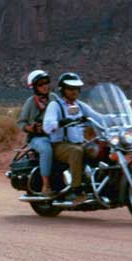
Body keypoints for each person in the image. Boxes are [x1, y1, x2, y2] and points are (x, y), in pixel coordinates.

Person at [42, 72, 102, 204]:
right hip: (60, 145)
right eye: (70, 88)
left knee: (100, 148)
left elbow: (97, 117)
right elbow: (47, 125)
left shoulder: (80, 105)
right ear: (62, 89)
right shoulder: (55, 105)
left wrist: (117, 118)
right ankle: (75, 190)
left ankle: (97, 183)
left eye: (76, 88)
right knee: (76, 151)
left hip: (79, 143)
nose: (74, 91)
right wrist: (59, 123)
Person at [16, 70, 57, 197]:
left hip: (55, 135)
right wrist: (32, 128)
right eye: (40, 84)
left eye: (46, 82)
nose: (45, 86)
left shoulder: (54, 98)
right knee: (46, 149)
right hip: (37, 138)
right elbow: (21, 123)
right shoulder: (31, 102)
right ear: (34, 87)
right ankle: (46, 185)